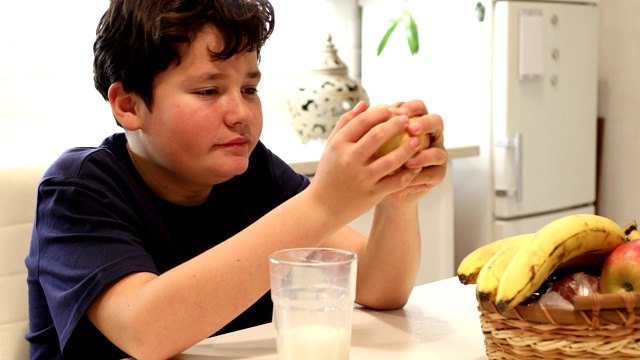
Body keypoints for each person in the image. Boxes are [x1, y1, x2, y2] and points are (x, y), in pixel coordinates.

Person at [25, 0, 448, 359]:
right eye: (208, 91)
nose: (241, 114)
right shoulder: (78, 190)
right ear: (128, 105)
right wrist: (324, 202)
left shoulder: (253, 172)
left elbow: (378, 287)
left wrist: (398, 197)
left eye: (249, 89)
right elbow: (146, 331)